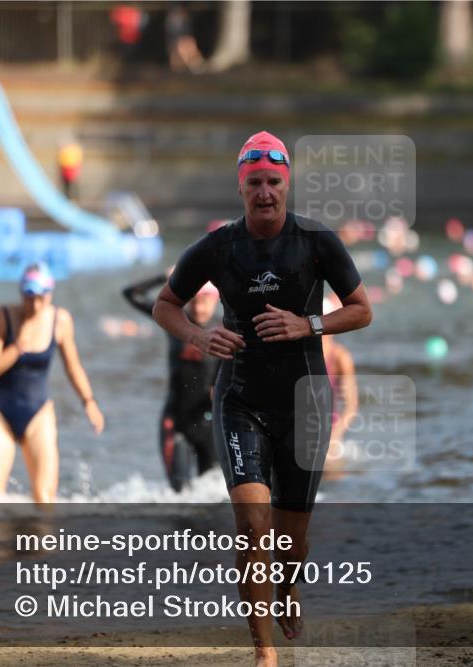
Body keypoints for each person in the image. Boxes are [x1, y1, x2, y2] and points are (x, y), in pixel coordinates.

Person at [153, 131, 372, 667]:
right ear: (241, 186)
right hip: (241, 399)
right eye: (255, 183)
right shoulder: (217, 248)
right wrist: (200, 337)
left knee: (290, 543)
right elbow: (166, 304)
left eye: (274, 182)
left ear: (287, 183)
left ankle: (289, 586)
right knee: (254, 528)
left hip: (306, 401)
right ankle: (264, 652)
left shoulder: (318, 242)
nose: (265, 192)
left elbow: (362, 309)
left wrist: (309, 323)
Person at [0, 263, 104, 504]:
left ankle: (39, 542)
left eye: (40, 298)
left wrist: (88, 401)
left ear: (50, 295)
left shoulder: (60, 320)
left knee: (45, 500)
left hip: (38, 412)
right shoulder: (2, 316)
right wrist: (17, 347)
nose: (34, 305)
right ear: (21, 293)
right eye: (29, 298)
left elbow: (73, 365)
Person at [122, 274, 221, 492]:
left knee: (214, 496)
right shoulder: (176, 322)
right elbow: (132, 294)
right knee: (181, 495)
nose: (198, 307)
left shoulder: (226, 329)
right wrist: (166, 278)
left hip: (210, 424)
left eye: (204, 301)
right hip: (175, 423)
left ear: (216, 300)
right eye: (193, 301)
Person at [321, 295, 358, 478]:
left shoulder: (340, 358)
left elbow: (351, 405)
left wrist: (334, 438)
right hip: (299, 426)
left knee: (331, 471)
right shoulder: (297, 352)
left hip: (330, 426)